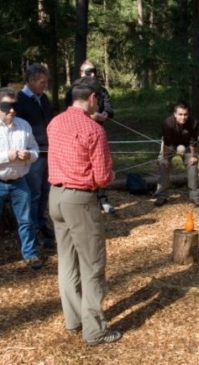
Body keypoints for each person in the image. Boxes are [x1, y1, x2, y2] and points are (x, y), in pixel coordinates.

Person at [47, 76, 122, 345]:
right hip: (79, 201)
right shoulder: (94, 130)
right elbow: (102, 178)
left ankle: (74, 320)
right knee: (93, 265)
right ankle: (95, 331)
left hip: (55, 197)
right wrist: (110, 173)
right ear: (92, 98)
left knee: (67, 262)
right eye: (98, 99)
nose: (99, 104)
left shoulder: (54, 122)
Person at [0, 87, 43, 275]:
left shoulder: (24, 126)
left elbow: (36, 151)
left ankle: (30, 254)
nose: (12, 110)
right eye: (6, 106)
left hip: (19, 182)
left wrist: (29, 155)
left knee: (27, 220)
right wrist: (7, 156)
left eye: (14, 106)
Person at [65, 60, 115, 214]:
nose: (92, 74)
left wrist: (103, 116)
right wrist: (87, 116)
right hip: (77, 137)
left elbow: (110, 110)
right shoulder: (72, 91)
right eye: (88, 72)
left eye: (94, 71)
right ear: (81, 73)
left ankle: (103, 200)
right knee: (83, 167)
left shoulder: (102, 90)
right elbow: (68, 111)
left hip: (98, 133)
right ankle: (87, 200)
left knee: (101, 166)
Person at [15, 63, 55, 247]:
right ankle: (31, 229)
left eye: (46, 82)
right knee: (34, 192)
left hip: (49, 150)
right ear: (30, 81)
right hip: (32, 153)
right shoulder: (19, 100)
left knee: (46, 190)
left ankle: (41, 222)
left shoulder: (43, 98)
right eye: (41, 81)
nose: (44, 85)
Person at [154, 102, 199, 207]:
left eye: (185, 114)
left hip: (187, 145)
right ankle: (162, 195)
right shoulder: (167, 123)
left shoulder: (194, 122)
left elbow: (193, 142)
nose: (183, 117)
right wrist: (165, 159)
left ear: (189, 114)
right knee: (163, 164)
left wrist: (194, 156)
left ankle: (195, 195)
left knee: (193, 163)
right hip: (170, 145)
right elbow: (167, 143)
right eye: (180, 114)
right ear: (175, 114)